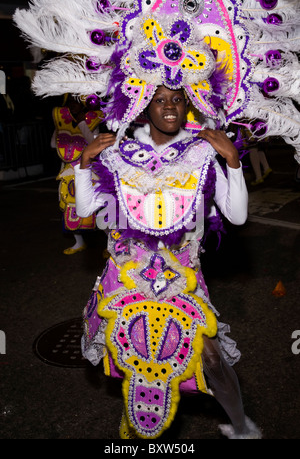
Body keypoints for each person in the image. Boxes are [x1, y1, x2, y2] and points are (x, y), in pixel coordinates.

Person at [74, 85, 261, 439]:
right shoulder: (117, 151)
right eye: (159, 100)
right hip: (127, 275)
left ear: (186, 103)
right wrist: (84, 162)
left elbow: (236, 216)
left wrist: (233, 162)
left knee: (212, 361)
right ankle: (133, 423)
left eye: (176, 99)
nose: (169, 108)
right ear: (146, 106)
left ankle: (242, 427)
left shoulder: (202, 152)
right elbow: (85, 210)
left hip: (181, 276)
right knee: (133, 353)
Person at [51, 94, 103, 254]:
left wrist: (81, 123)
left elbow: (94, 143)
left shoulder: (92, 120)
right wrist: (63, 131)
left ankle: (109, 244)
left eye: (76, 103)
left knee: (98, 209)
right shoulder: (61, 121)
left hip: (89, 170)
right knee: (68, 206)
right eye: (70, 103)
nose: (73, 106)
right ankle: (79, 242)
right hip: (68, 171)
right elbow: (54, 144)